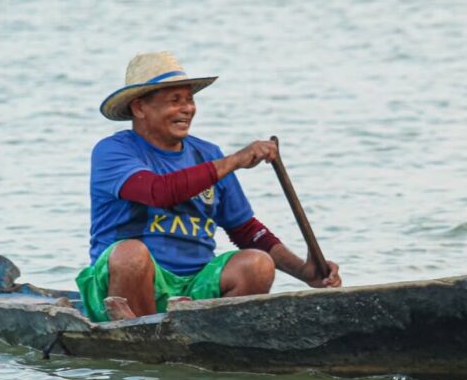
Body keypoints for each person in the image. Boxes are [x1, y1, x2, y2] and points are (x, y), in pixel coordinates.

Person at [75, 51, 341, 321]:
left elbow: (246, 230)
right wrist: (235, 161)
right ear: (140, 108)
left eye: (189, 100)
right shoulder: (113, 151)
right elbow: (159, 192)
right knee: (131, 254)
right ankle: (142, 329)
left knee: (258, 264)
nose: (187, 109)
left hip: (194, 286)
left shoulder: (208, 154)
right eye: (174, 101)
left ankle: (203, 328)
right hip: (123, 289)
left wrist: (305, 272)